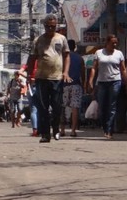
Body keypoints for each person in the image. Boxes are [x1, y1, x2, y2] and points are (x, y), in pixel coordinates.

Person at [26, 15, 71, 143]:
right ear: (44, 26)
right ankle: (45, 134)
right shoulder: (38, 40)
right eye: (48, 26)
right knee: (43, 107)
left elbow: (67, 56)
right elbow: (32, 59)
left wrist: (66, 72)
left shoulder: (61, 39)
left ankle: (56, 129)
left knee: (57, 106)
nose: (51, 28)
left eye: (53, 26)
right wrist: (30, 75)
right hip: (41, 78)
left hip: (57, 77)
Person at [87, 34, 127, 139]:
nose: (114, 44)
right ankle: (105, 127)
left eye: (116, 42)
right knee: (102, 107)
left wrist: (126, 82)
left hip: (115, 82)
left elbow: (123, 69)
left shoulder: (119, 54)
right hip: (102, 83)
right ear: (107, 42)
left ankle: (109, 130)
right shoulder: (99, 53)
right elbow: (94, 68)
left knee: (112, 106)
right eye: (112, 42)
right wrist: (91, 81)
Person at [60, 39, 84, 137]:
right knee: (75, 108)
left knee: (62, 107)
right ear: (74, 47)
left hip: (64, 84)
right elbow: (83, 73)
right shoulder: (80, 58)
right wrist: (85, 83)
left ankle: (62, 130)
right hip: (76, 84)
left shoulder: (63, 57)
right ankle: (73, 131)